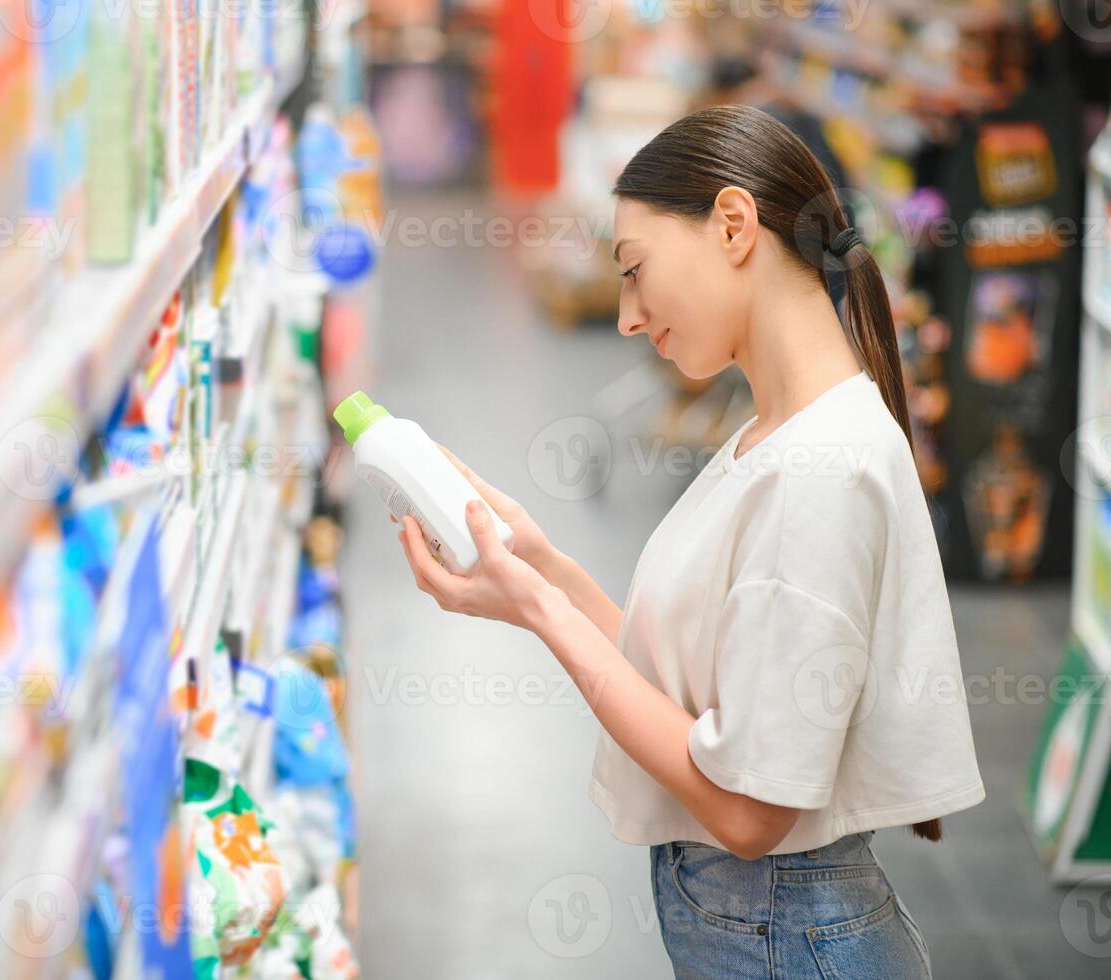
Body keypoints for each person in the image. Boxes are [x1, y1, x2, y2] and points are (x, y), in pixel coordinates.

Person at [393, 106, 983, 978]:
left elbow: (749, 814)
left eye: (635, 271)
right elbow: (697, 690)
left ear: (734, 225)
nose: (627, 316)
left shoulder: (817, 468)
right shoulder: (773, 435)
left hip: (790, 938)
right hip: (775, 928)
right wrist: (539, 570)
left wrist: (546, 617)